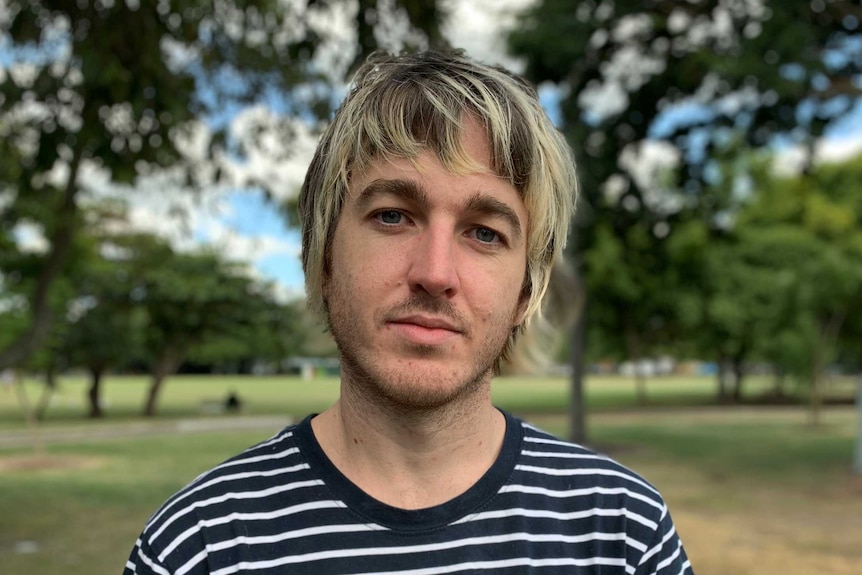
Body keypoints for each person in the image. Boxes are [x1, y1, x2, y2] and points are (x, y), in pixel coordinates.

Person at [123, 50, 693, 575]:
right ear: (323, 256)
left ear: (526, 290)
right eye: (394, 216)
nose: (436, 273)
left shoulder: (622, 531)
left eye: (485, 233)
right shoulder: (200, 544)